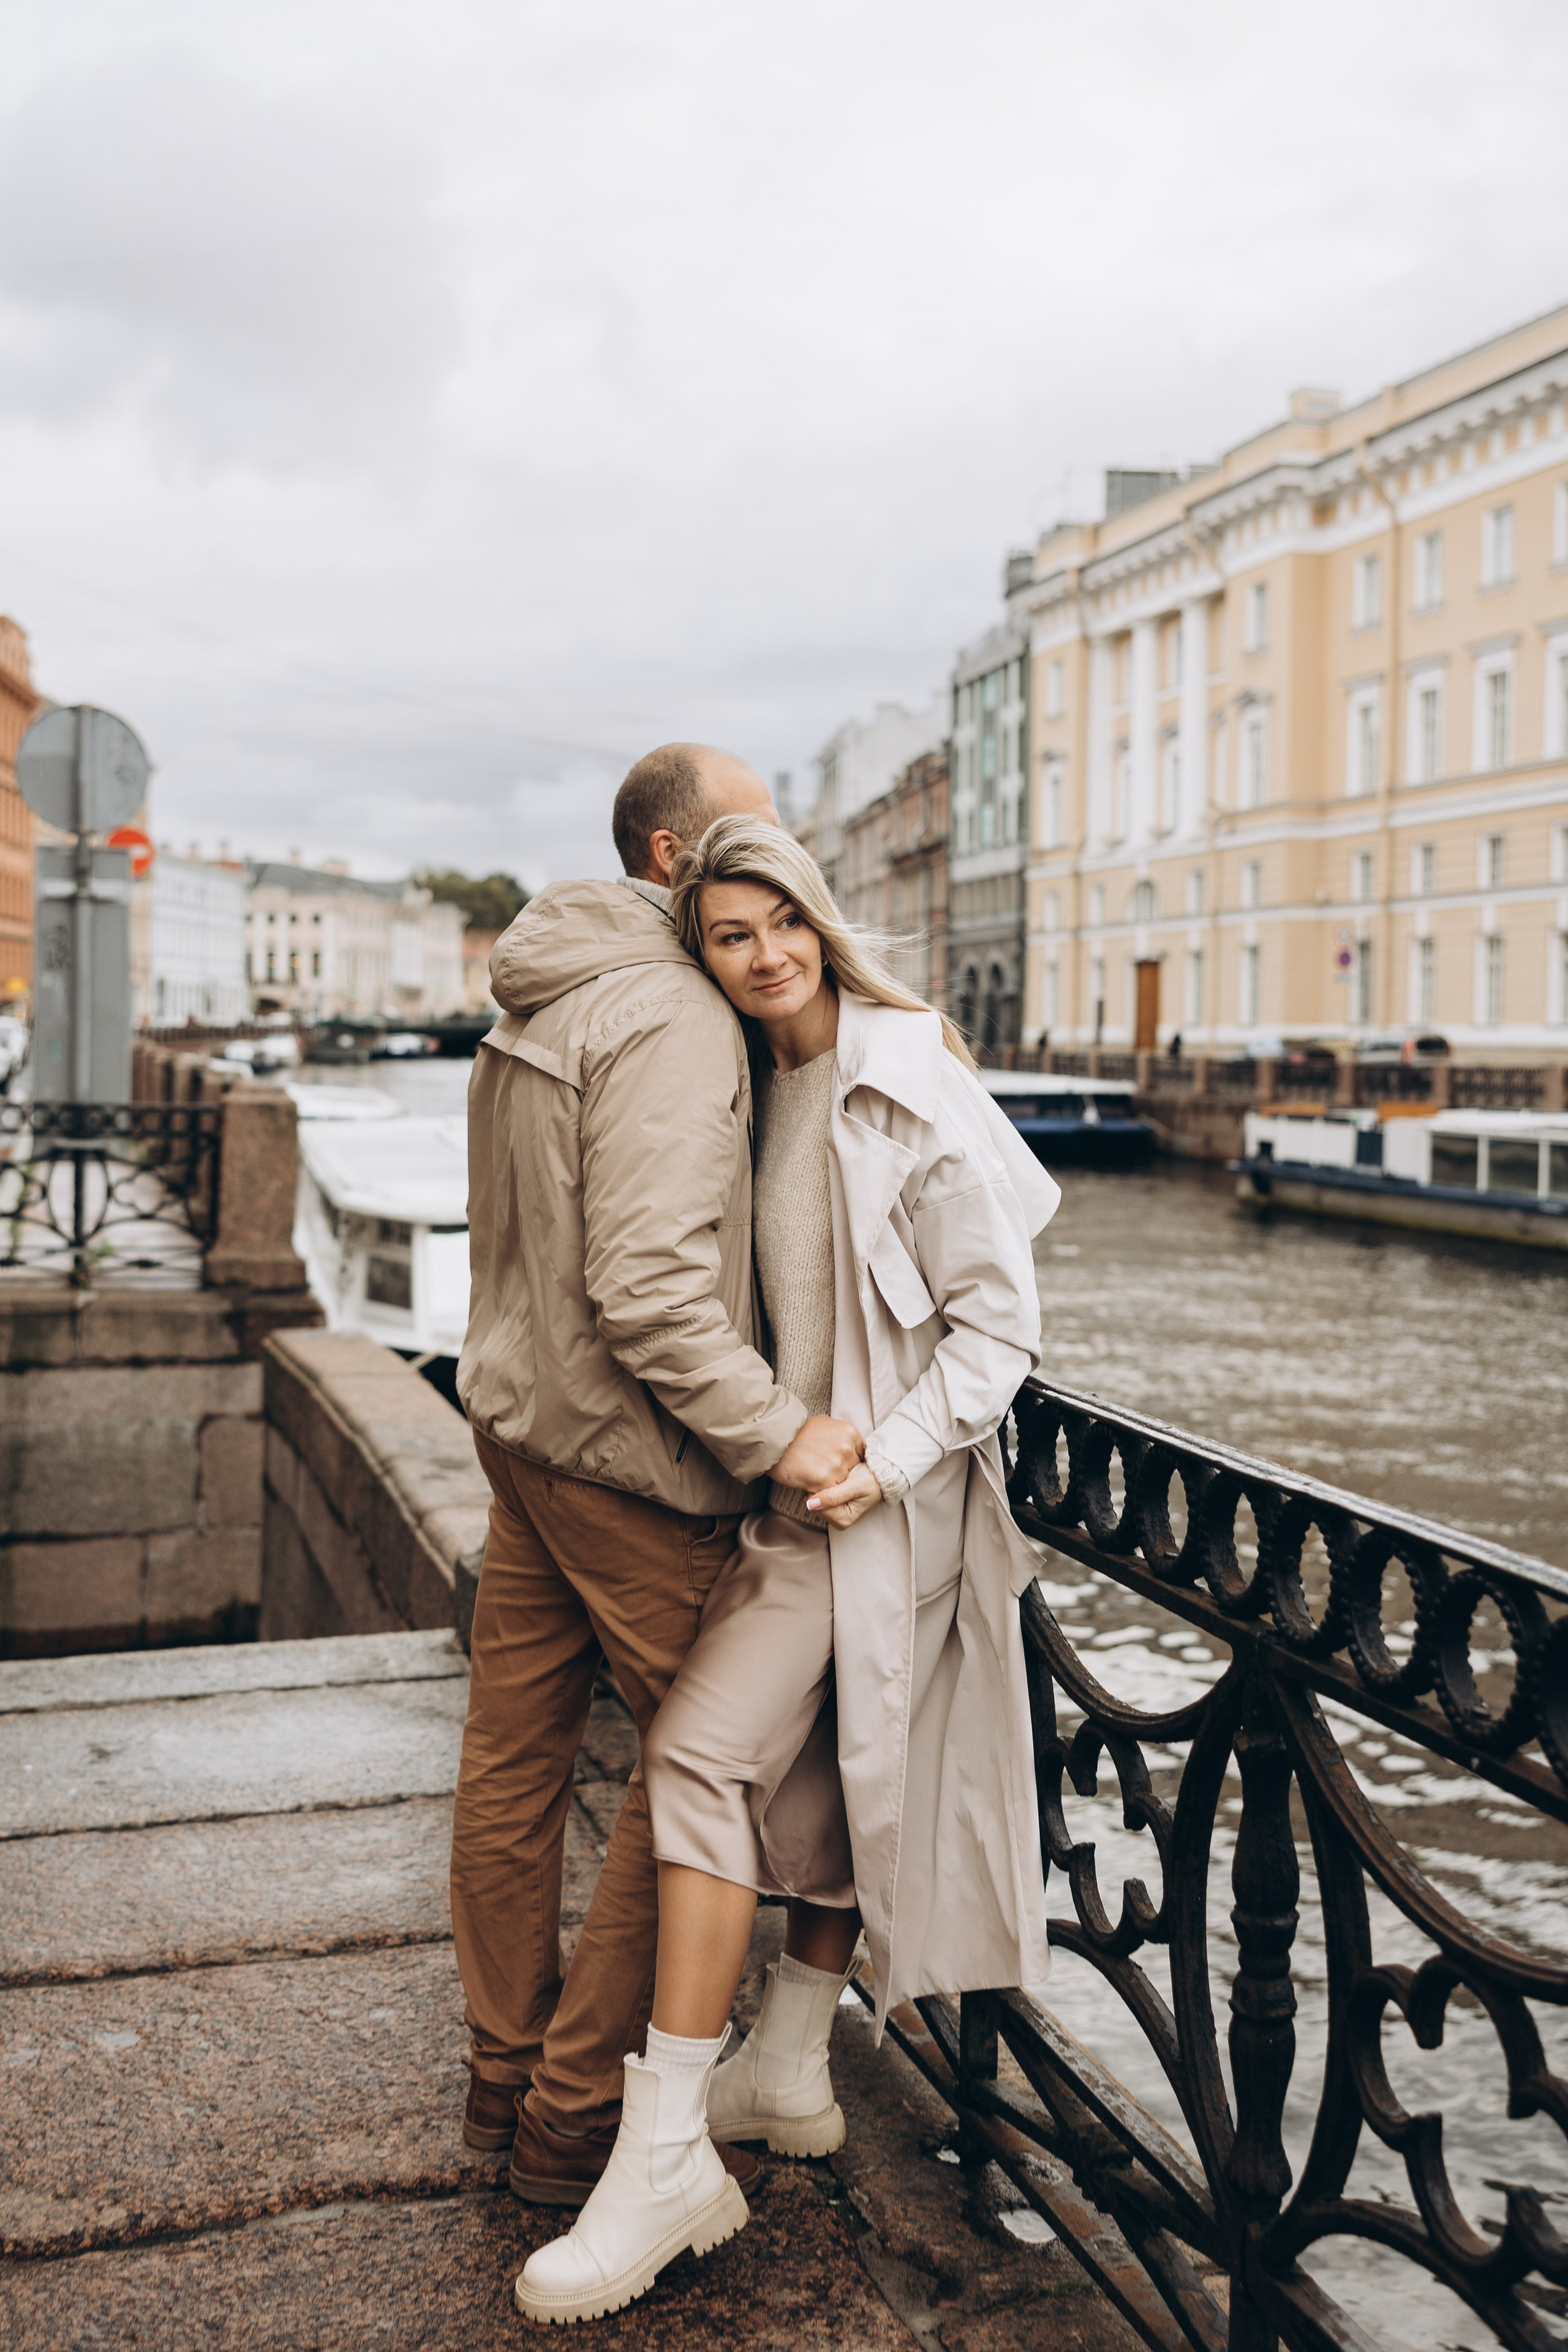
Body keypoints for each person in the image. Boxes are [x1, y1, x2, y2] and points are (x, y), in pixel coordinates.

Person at [516, 817, 1060, 2326]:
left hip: (863, 1510)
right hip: (802, 1505)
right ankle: (783, 2071)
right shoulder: (760, 1081)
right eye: (728, 936)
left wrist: (866, 1465)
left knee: (694, 1758)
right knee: (811, 1780)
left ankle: (662, 2157)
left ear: (822, 922)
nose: (762, 956)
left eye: (782, 926)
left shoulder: (903, 1078)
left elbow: (999, 1329)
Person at [452, 748, 865, 2208]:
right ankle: (574, 2124)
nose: (778, 850)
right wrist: (777, 1432)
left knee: (510, 1766)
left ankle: (502, 2075)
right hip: (631, 1465)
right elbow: (647, 1287)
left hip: (519, 1430)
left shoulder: (544, 984)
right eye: (753, 828)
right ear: (679, 848)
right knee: (697, 1782)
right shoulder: (682, 1015)